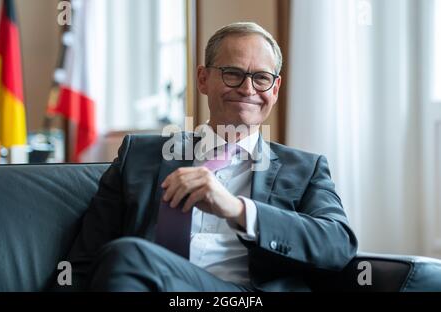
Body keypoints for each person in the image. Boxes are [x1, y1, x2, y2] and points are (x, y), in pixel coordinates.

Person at [61, 22, 358, 292]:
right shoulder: (138, 156)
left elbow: (338, 244)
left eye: (262, 78)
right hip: (153, 285)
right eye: (233, 74)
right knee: (125, 256)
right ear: (203, 79)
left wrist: (239, 210)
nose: (247, 89)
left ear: (275, 89)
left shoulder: (305, 169)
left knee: (128, 254)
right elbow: (83, 263)